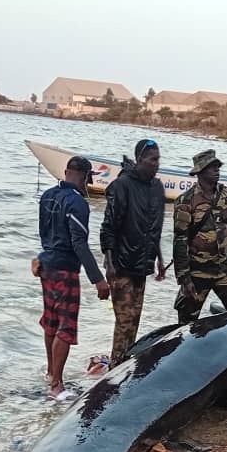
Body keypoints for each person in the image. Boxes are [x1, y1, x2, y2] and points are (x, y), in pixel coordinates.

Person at [36, 156, 110, 400]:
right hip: (66, 269)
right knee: (66, 327)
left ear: (66, 172)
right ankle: (56, 386)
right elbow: (79, 243)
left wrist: (40, 257)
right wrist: (97, 278)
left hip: (46, 265)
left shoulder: (47, 195)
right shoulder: (77, 203)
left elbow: (43, 233)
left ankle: (50, 373)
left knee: (51, 322)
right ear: (87, 177)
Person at [100, 139, 166, 367]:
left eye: (158, 159)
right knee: (124, 322)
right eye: (152, 159)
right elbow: (109, 226)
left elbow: (155, 227)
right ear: (139, 160)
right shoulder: (123, 186)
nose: (157, 164)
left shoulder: (157, 188)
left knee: (134, 321)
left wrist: (159, 258)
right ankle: (114, 368)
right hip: (121, 265)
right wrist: (108, 263)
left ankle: (123, 366)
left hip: (142, 265)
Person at [173, 149, 227, 324]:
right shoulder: (185, 202)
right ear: (200, 172)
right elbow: (179, 241)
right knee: (185, 323)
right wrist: (184, 278)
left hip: (225, 271)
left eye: (218, 166)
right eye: (212, 167)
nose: (217, 170)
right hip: (197, 272)